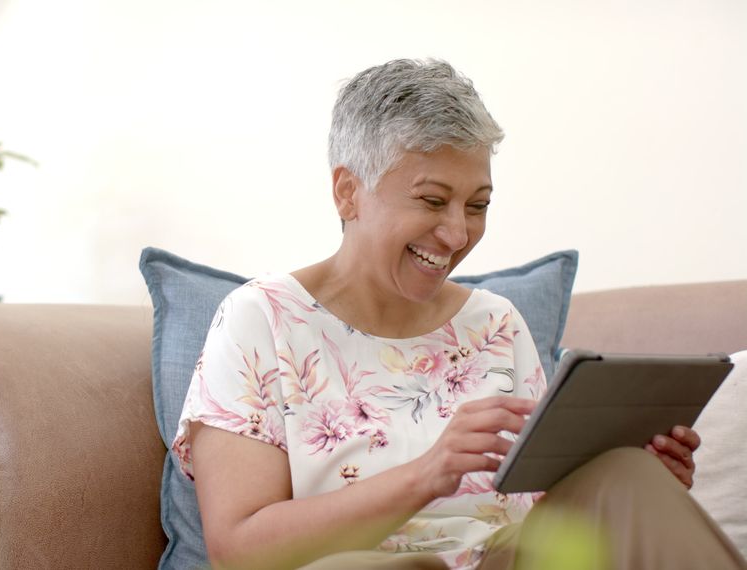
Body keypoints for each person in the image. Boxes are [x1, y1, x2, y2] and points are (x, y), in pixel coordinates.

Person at [171, 59, 746, 570]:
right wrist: (426, 474)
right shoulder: (262, 319)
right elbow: (238, 551)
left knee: (628, 476)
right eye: (431, 200)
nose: (456, 234)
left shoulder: (496, 324)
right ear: (348, 192)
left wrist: (627, 489)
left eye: (477, 205)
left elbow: (543, 512)